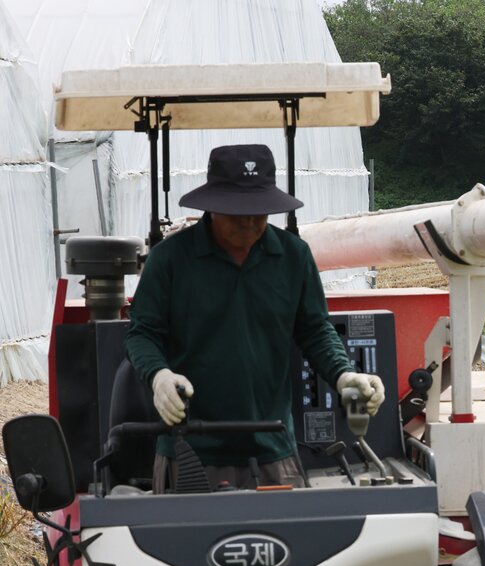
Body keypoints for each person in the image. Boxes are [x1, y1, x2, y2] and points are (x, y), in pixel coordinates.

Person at [125, 144, 384, 492]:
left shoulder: (293, 256)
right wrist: (159, 376)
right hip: (189, 450)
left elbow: (315, 329)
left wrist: (343, 374)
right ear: (212, 207)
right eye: (237, 214)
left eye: (259, 213)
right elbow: (142, 334)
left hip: (273, 447)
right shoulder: (170, 259)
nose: (249, 223)